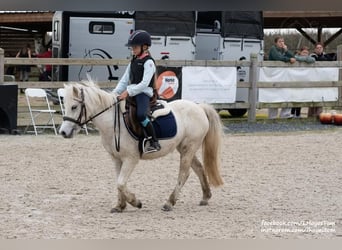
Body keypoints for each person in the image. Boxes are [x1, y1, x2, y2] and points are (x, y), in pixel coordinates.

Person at [113, 30, 161, 153]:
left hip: (144, 93)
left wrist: (128, 92)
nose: (132, 50)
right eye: (132, 47)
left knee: (141, 115)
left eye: (134, 47)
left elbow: (144, 83)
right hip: (133, 91)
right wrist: (114, 93)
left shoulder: (149, 62)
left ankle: (154, 141)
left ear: (144, 47)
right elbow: (124, 80)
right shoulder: (133, 61)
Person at [267, 36, 296, 119]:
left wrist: (286, 50)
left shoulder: (284, 50)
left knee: (286, 93)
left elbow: (293, 56)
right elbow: (278, 58)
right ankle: (272, 116)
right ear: (276, 43)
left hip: (284, 76)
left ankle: (285, 114)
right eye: (280, 41)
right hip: (274, 75)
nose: (282, 43)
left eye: (283, 41)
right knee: (274, 96)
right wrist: (288, 59)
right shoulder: (273, 49)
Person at [308, 42, 336, 118]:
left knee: (320, 97)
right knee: (312, 98)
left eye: (320, 48)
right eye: (317, 48)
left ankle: (319, 115)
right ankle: (310, 116)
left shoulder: (325, 56)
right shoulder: (312, 56)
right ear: (315, 49)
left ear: (323, 48)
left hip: (322, 79)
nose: (319, 49)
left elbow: (331, 58)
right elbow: (317, 59)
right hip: (313, 79)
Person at [291, 46, 316, 118]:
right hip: (295, 79)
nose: (305, 54)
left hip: (304, 79)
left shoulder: (309, 58)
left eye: (307, 53)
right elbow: (295, 58)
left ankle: (298, 114)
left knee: (300, 97)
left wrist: (305, 58)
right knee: (294, 97)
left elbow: (313, 60)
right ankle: (292, 113)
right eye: (304, 52)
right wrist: (305, 58)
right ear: (300, 52)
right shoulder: (295, 57)